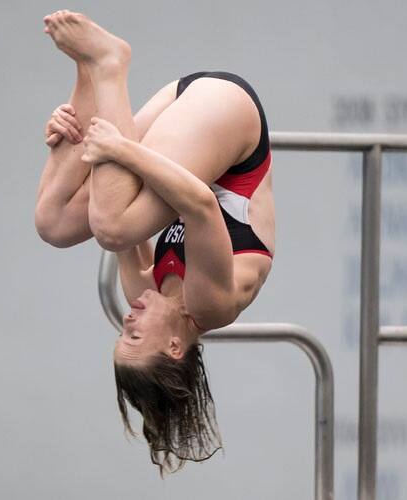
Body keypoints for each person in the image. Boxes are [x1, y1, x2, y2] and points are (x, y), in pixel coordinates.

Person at [34, 10, 275, 474]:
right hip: (229, 113)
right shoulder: (212, 305)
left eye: (122, 331)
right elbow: (201, 205)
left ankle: (87, 76)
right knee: (113, 226)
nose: (127, 319)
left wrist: (67, 144)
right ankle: (108, 64)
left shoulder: (146, 290)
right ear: (174, 348)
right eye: (134, 335)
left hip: (185, 114)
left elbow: (101, 196)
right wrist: (120, 148)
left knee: (55, 223)